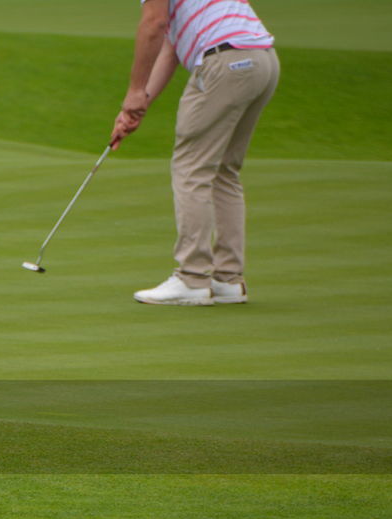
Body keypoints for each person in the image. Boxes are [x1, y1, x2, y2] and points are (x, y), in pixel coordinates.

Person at [111, 0, 279, 306]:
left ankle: (192, 278)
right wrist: (141, 102)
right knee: (224, 171)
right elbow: (171, 47)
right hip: (261, 60)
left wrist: (134, 90)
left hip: (225, 61)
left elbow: (154, 26)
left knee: (192, 169)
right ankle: (228, 279)